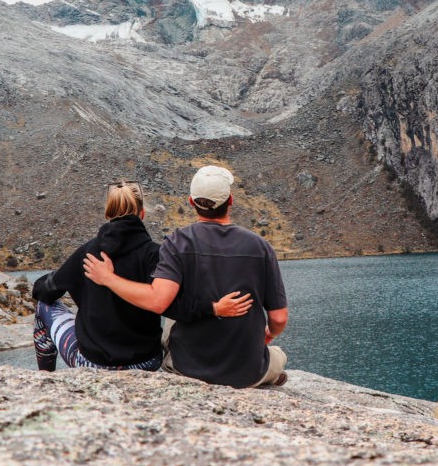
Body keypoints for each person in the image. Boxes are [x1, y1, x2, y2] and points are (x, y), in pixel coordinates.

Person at [84, 165, 288, 388]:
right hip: (246, 374)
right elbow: (279, 318)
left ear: (192, 202)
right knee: (278, 356)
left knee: (172, 308)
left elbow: (157, 300)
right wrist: (268, 334)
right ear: (230, 201)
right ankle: (269, 374)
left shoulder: (177, 242)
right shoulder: (260, 246)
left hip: (188, 369)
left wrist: (108, 278)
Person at [31, 180, 250, 372]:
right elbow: (176, 305)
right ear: (142, 213)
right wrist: (213, 308)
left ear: (108, 215)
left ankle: (46, 380)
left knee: (44, 306)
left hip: (92, 364)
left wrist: (59, 277)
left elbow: (45, 291)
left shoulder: (88, 253)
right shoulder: (156, 255)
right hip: (146, 363)